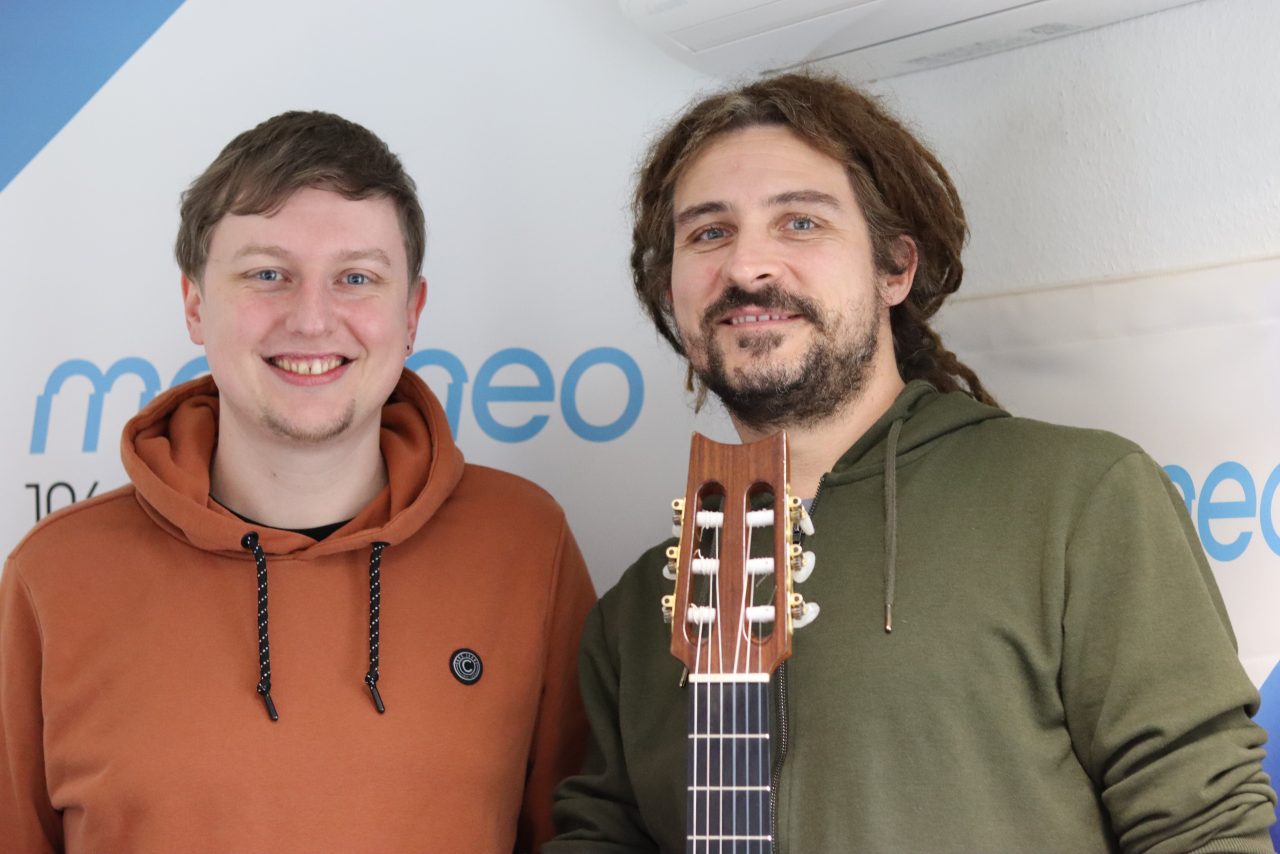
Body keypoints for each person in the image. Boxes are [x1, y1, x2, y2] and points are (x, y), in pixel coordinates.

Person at [548, 72, 1276, 853]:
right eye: (709, 233)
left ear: (895, 268)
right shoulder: (635, 612)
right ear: (671, 289)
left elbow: (1204, 825)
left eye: (799, 222)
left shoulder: (1080, 499)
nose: (748, 267)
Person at [0, 111, 595, 853]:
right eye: (268, 275)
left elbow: (583, 835)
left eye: (356, 278)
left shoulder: (524, 544)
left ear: (410, 313)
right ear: (194, 304)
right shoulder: (53, 577)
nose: (313, 320)